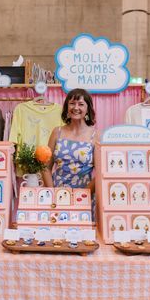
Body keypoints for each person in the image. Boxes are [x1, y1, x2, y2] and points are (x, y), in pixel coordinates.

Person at [42, 88, 98, 216]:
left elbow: (99, 173)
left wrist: (82, 196)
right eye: (72, 103)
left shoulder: (95, 136)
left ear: (88, 109)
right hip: (57, 192)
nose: (76, 107)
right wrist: (52, 194)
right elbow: (45, 167)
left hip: (85, 194)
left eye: (81, 104)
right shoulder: (57, 132)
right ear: (66, 106)